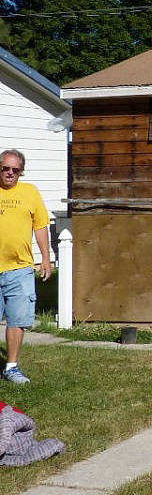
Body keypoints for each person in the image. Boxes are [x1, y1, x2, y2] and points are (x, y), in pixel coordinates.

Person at [0, 149, 51, 385]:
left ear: (21, 171)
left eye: (15, 170)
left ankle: (11, 367)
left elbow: (40, 226)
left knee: (17, 320)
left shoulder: (30, 192)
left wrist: (46, 258)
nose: (9, 173)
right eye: (5, 168)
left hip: (20, 269)